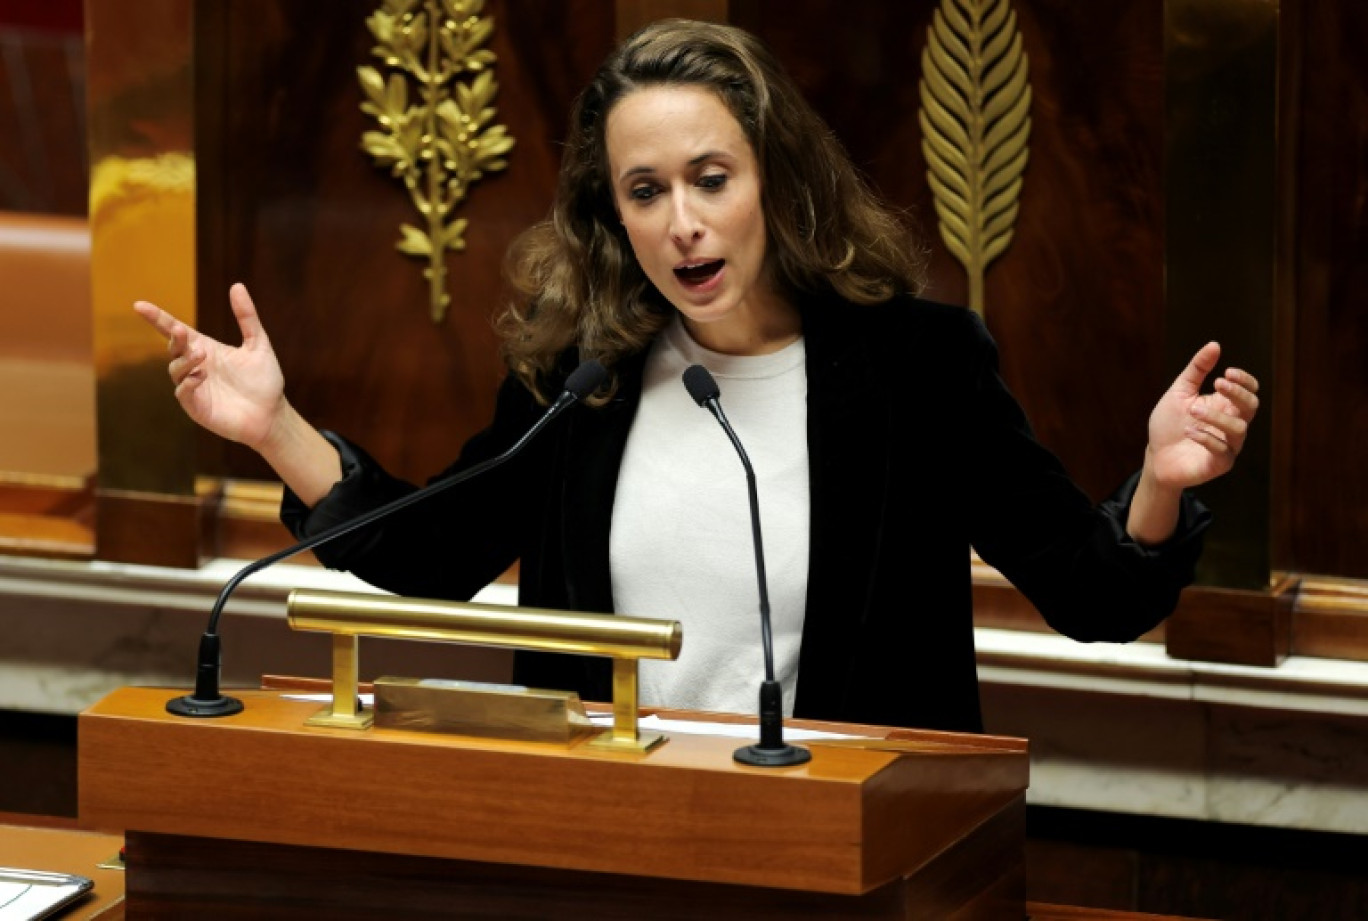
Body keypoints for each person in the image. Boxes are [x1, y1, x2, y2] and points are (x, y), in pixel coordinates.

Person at [134, 18, 1259, 733]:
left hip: (852, 846)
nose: (682, 225)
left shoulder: (916, 365)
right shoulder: (585, 381)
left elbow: (1095, 594)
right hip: (616, 843)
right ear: (611, 214)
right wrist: (273, 424)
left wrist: (1159, 482)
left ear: (773, 177)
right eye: (644, 192)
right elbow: (435, 555)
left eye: (710, 178)